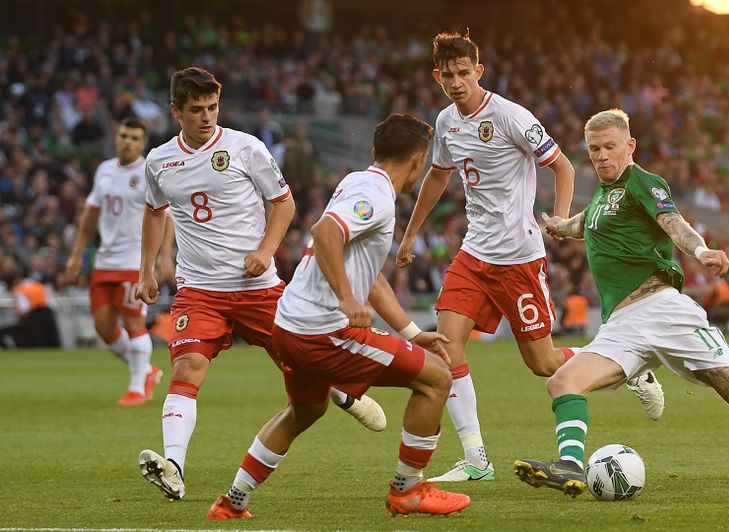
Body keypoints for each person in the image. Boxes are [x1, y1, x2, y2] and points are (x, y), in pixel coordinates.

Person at [396, 32, 664, 483]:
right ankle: (476, 459)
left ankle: (626, 366)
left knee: (542, 364)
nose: (457, 82)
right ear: (437, 76)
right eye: (449, 75)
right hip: (473, 255)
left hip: (519, 257)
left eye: (465, 73)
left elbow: (561, 165)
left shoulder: (511, 116)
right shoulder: (445, 122)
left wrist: (559, 219)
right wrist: (409, 235)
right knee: (445, 350)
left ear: (478, 71)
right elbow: (438, 177)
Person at [514, 109, 729, 497]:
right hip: (620, 325)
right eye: (594, 149)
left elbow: (673, 223)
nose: (601, 155)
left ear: (629, 146)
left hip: (663, 311)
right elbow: (584, 223)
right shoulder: (602, 196)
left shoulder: (643, 182)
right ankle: (569, 465)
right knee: (562, 381)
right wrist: (559, 227)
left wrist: (700, 250)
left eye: (610, 147)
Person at [135, 67, 385, 502]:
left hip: (259, 289)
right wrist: (146, 269)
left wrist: (267, 251)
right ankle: (173, 466)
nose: (207, 117)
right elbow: (155, 212)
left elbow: (283, 204)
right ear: (176, 111)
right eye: (196, 110)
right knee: (188, 369)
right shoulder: (159, 161)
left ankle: (343, 393)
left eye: (212, 107)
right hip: (200, 290)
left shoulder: (245, 148)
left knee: (305, 363)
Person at [206, 114, 470, 519]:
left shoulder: (355, 181)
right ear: (418, 160)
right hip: (323, 330)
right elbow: (325, 232)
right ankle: (408, 489)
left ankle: (231, 501)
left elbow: (367, 274)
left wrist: (412, 332)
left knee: (306, 411)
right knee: (436, 377)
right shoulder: (378, 197)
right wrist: (347, 300)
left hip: (289, 325)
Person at [65, 117, 170, 406]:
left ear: (143, 142)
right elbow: (91, 214)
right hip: (105, 261)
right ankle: (146, 370)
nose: (127, 141)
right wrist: (77, 253)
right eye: (124, 135)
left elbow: (166, 216)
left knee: (134, 320)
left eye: (134, 138)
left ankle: (138, 387)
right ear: (116, 136)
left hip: (133, 260)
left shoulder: (150, 171)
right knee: (104, 327)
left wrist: (163, 257)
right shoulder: (104, 170)